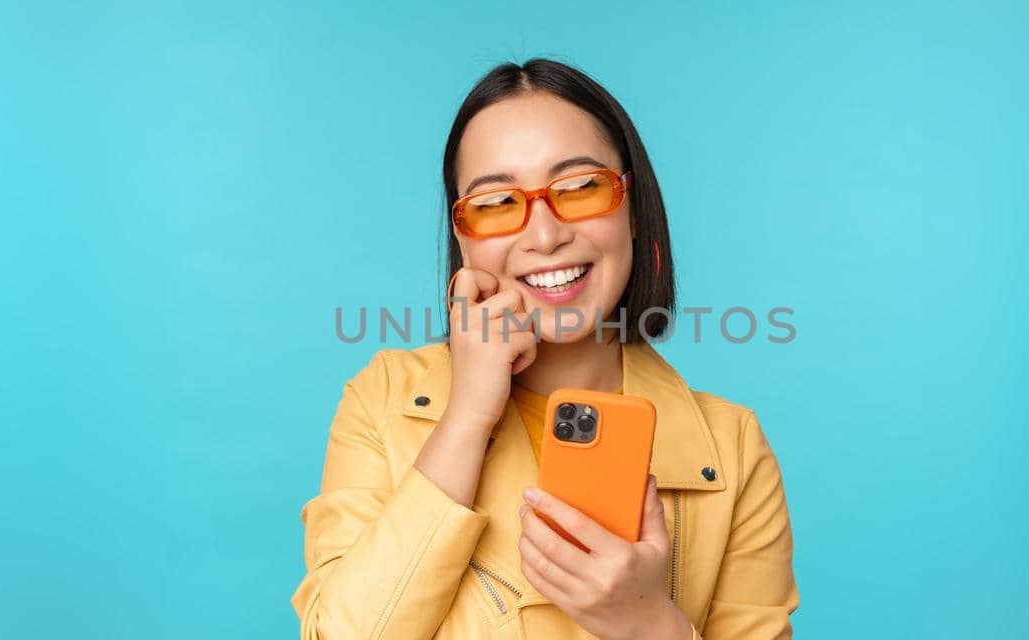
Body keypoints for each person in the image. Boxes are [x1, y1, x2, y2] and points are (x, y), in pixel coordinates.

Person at [292, 58, 798, 639]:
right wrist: (466, 417)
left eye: (582, 188)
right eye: (495, 203)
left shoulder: (732, 450)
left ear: (633, 208)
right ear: (462, 237)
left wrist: (647, 623)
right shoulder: (383, 400)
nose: (544, 235)